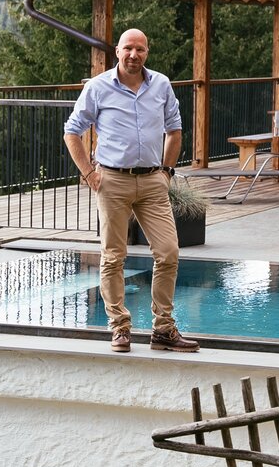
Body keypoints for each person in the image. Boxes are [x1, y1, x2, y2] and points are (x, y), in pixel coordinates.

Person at [63, 28, 199, 354]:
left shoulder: (162, 85)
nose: (133, 55)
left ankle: (163, 329)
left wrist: (166, 171)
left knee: (168, 252)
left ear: (147, 53)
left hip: (153, 181)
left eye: (139, 49)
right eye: (128, 49)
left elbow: (175, 130)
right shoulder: (98, 88)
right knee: (113, 257)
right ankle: (120, 328)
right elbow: (72, 132)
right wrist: (89, 174)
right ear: (118, 52)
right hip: (112, 181)